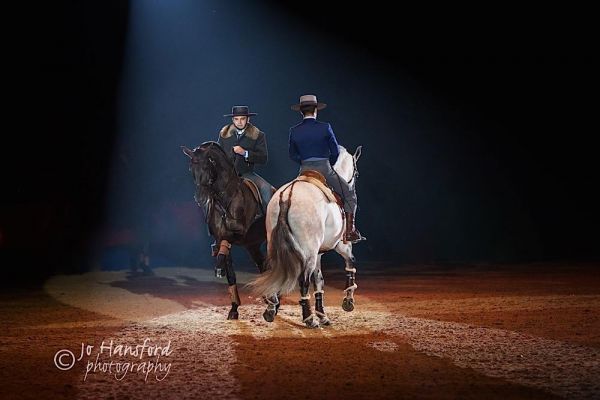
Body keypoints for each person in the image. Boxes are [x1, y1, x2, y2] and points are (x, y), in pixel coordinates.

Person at [288, 94, 364, 242]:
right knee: (349, 194)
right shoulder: (325, 127)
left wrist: (304, 162)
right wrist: (329, 164)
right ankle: (350, 231)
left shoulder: (294, 130)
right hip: (324, 168)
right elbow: (335, 151)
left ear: (300, 112)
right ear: (316, 110)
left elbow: (292, 155)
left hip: (304, 170)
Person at [218, 105, 273, 210]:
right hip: (226, 175)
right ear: (232, 120)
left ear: (248, 119)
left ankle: (268, 219)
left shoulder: (258, 135)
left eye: (242, 119)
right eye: (236, 119)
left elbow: (263, 158)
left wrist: (245, 153)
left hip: (247, 174)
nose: (239, 122)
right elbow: (219, 154)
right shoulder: (224, 134)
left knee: (266, 188)